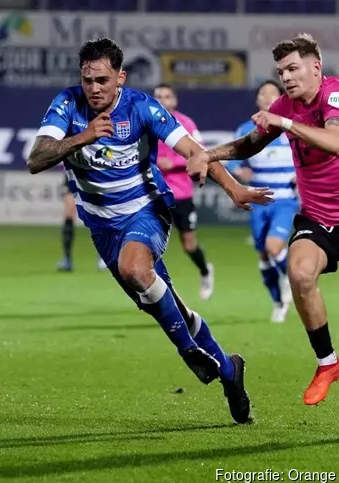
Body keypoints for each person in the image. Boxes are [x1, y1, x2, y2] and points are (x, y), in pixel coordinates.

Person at [27, 37, 274, 423]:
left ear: (120, 78)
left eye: (103, 80)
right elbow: (36, 158)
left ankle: (188, 352)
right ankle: (229, 371)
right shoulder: (67, 104)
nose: (94, 88)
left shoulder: (141, 107)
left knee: (135, 270)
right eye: (88, 79)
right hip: (102, 228)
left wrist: (233, 188)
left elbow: (194, 150)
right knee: (167, 306)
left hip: (147, 210)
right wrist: (84, 136)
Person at [187, 34, 339, 419]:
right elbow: (251, 143)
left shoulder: (336, 93)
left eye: (293, 69)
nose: (287, 78)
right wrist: (208, 153)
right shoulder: (285, 106)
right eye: (281, 72)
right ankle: (328, 362)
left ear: (316, 67)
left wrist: (284, 122)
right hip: (317, 216)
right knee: (298, 272)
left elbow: (336, 142)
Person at [229, 80, 298, 323]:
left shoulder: (291, 127)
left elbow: (309, 157)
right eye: (262, 93)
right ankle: (278, 302)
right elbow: (232, 159)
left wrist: (300, 178)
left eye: (272, 93)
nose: (267, 97)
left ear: (281, 99)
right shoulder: (246, 129)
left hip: (284, 201)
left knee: (273, 247)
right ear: (257, 100)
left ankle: (292, 279)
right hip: (260, 202)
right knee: (263, 257)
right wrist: (239, 172)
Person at [153, 83, 214, 301]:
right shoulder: (146, 123)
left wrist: (175, 161)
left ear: (174, 100)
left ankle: (205, 270)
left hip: (180, 194)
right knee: (149, 245)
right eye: (158, 95)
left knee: (189, 245)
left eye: (167, 96)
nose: (162, 99)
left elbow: (201, 152)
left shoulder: (185, 123)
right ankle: (158, 293)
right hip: (154, 193)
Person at [56, 168, 108, 272]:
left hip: (93, 171)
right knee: (69, 212)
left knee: (98, 213)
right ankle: (67, 259)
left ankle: (104, 256)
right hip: (74, 171)